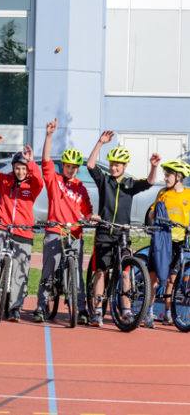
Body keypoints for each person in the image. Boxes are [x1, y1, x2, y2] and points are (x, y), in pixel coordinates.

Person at [86, 131, 156, 327]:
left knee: (125, 273)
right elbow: (90, 165)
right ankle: (97, 311)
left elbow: (149, 182)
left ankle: (126, 310)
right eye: (112, 164)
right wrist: (100, 143)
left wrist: (153, 166)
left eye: (118, 165)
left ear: (125, 167)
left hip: (122, 234)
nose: (114, 167)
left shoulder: (130, 184)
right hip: (104, 233)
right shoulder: (105, 181)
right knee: (101, 272)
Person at [33, 118, 93, 324]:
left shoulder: (81, 188)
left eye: (75, 167)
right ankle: (41, 308)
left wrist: (89, 219)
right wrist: (49, 135)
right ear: (63, 166)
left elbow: (87, 211)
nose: (71, 170)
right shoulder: (54, 180)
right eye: (68, 166)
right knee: (48, 271)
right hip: (54, 231)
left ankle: (81, 310)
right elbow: (46, 159)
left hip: (74, 234)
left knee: (76, 272)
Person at [0, 136, 43, 322]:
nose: (21, 171)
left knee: (19, 274)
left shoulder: (32, 185)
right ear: (13, 168)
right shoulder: (4, 181)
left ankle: (15, 308)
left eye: (24, 168)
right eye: (18, 168)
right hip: (4, 226)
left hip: (24, 231)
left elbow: (40, 180)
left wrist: (31, 162)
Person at [144, 159, 190, 327]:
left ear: (178, 176)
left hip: (179, 241)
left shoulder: (188, 195)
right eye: (165, 175)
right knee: (153, 277)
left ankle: (169, 313)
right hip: (161, 241)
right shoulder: (163, 192)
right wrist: (155, 212)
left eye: (168, 175)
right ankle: (148, 312)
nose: (165, 178)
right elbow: (150, 214)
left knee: (172, 279)